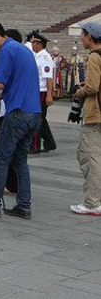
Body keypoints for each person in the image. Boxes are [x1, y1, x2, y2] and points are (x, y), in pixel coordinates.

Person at [0, 19, 41, 219]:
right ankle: (24, 205)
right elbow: (14, 86)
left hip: (18, 114)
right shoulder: (22, 50)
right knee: (20, 161)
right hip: (34, 113)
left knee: (2, 159)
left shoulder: (5, 51)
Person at [70, 22, 101, 215]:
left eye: (82, 34)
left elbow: (92, 88)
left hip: (95, 114)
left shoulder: (94, 57)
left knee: (89, 157)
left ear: (90, 36)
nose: (81, 38)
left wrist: (79, 92)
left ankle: (92, 203)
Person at [30, 32, 56, 153]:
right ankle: (50, 142)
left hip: (42, 91)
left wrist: (49, 95)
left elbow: (49, 78)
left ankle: (35, 145)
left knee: (37, 118)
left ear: (39, 44)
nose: (32, 45)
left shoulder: (45, 57)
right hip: (36, 90)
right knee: (41, 118)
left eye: (34, 43)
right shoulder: (36, 56)